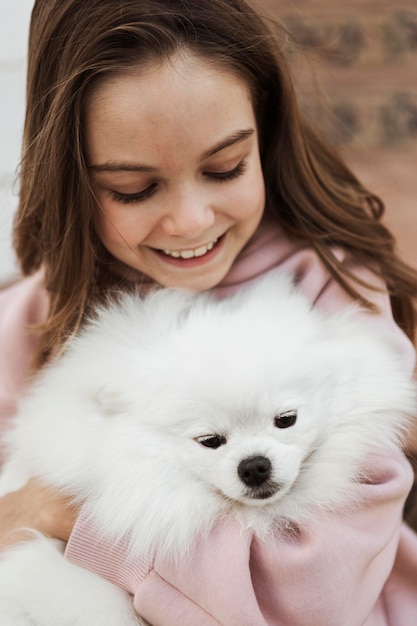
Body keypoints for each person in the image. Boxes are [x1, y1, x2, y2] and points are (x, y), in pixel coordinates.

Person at [1, 0, 417, 623]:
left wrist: (65, 519)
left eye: (224, 168)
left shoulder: (330, 292)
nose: (191, 221)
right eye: (134, 188)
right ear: (72, 177)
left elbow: (316, 594)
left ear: (265, 132)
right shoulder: (38, 310)